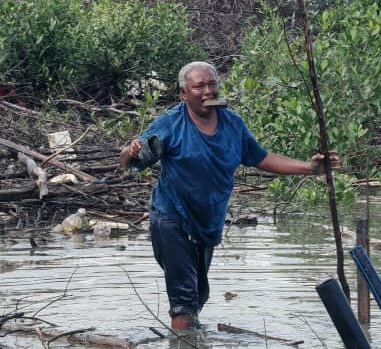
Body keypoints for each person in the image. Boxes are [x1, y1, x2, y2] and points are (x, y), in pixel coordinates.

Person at [119, 61, 336, 331]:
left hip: (207, 222)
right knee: (184, 301)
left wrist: (310, 168)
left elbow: (262, 158)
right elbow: (130, 160)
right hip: (170, 216)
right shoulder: (171, 123)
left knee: (198, 295)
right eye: (199, 86)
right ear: (184, 93)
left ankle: (190, 348)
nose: (208, 91)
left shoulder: (233, 123)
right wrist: (131, 151)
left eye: (212, 84)